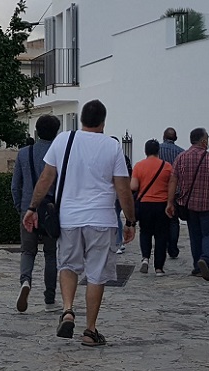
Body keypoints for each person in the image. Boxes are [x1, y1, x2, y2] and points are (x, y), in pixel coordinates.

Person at [23, 100, 135, 347]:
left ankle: (67, 310)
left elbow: (46, 178)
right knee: (96, 275)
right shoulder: (113, 147)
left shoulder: (63, 140)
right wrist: (130, 220)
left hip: (70, 218)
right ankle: (90, 331)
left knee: (68, 266)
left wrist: (32, 208)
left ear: (82, 119)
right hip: (102, 220)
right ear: (103, 122)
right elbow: (123, 189)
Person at [10, 115, 61, 312]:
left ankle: (25, 281)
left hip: (27, 208)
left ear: (37, 131)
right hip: (51, 210)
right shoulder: (59, 154)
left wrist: (21, 207)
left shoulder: (24, 153)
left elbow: (16, 185)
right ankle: (49, 299)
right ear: (56, 132)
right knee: (50, 254)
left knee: (27, 250)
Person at [171, 127, 209, 281]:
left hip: (189, 205)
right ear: (204, 141)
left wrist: (170, 201)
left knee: (195, 235)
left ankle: (197, 266)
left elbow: (173, 180)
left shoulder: (181, 157)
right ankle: (206, 259)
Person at [131, 139, 176, 276]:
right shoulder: (167, 166)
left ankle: (145, 258)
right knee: (161, 236)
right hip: (161, 205)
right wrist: (170, 202)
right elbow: (172, 185)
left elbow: (133, 187)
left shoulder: (139, 166)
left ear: (145, 151)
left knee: (145, 232)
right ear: (158, 151)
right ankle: (159, 268)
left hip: (145, 204)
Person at [158, 128, 185, 259]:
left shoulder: (157, 149)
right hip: (175, 192)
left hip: (160, 190)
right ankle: (173, 248)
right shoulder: (181, 152)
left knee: (162, 221)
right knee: (174, 221)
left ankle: (163, 246)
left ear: (163, 136)